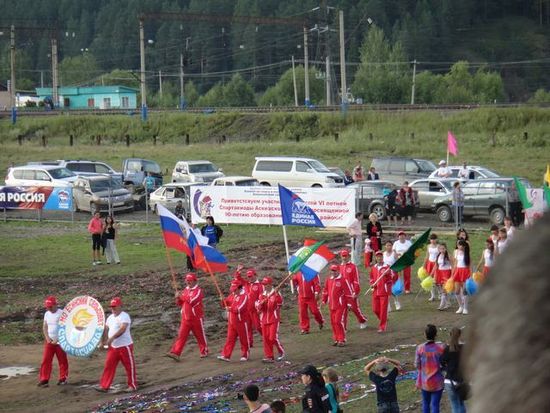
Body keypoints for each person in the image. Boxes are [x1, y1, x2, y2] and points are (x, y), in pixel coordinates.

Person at [97, 297, 137, 392]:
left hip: (125, 345)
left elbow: (123, 329)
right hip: (113, 347)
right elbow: (105, 329)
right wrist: (103, 341)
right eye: (112, 307)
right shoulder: (110, 318)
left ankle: (132, 385)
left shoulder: (124, 316)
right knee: (109, 365)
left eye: (114, 307)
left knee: (129, 366)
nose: (113, 309)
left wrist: (112, 338)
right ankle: (104, 385)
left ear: (120, 306)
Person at [165, 273, 208, 361]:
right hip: (185, 318)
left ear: (195, 281)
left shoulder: (198, 291)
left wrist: (181, 296)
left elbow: (192, 301)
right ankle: (176, 352)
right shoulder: (185, 290)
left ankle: (204, 351)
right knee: (181, 336)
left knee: (200, 336)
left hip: (196, 318)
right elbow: (180, 303)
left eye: (190, 280)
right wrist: (177, 298)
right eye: (187, 280)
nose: (188, 282)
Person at [38, 296, 69, 387]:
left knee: (62, 360)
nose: (49, 308)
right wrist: (47, 338)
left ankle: (63, 378)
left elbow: (66, 328)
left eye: (50, 306)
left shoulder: (62, 313)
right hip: (49, 341)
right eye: (47, 307)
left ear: (55, 305)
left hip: (60, 341)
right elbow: (45, 326)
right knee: (46, 360)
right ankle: (44, 379)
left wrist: (58, 339)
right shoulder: (47, 314)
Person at [415, 324, 445, 413]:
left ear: (425, 334)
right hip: (438, 381)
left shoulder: (420, 348)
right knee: (435, 405)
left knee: (425, 403)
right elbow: (444, 364)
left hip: (424, 381)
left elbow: (417, 364)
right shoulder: (441, 348)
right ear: (436, 335)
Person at [218, 281, 250, 362]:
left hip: (241, 321)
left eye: (235, 290)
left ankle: (245, 354)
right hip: (232, 321)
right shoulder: (233, 295)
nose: (233, 291)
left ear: (240, 288)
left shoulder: (244, 296)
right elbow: (226, 303)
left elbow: (240, 308)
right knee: (230, 338)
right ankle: (226, 355)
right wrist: (222, 300)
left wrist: (230, 309)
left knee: (244, 339)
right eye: (232, 290)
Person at [322, 264, 353, 346]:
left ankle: (342, 339)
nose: (333, 272)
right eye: (332, 270)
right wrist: (324, 300)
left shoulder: (343, 280)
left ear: (338, 271)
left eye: (335, 270)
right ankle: (336, 339)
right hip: (331, 305)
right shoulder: (329, 280)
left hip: (340, 305)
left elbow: (348, 292)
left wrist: (349, 303)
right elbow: (325, 290)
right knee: (333, 322)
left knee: (338, 321)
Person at [256, 277, 285, 363]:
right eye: (263, 284)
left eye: (266, 284)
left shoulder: (276, 293)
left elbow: (280, 303)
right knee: (266, 339)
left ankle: (281, 351)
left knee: (272, 338)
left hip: (273, 319)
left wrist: (276, 294)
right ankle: (269, 356)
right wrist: (261, 304)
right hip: (264, 320)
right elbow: (258, 309)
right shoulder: (262, 295)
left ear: (270, 284)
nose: (264, 286)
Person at [440, 327, 467, 413]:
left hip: (449, 381)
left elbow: (441, 361)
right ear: (460, 335)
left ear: (450, 335)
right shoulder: (464, 348)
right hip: (461, 382)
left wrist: (447, 367)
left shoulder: (447, 349)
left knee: (454, 406)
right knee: (461, 404)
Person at [339, 249, 368, 329]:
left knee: (354, 308)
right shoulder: (340, 267)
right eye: (343, 256)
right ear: (341, 257)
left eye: (346, 256)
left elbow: (356, 280)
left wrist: (355, 291)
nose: (344, 258)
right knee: (343, 310)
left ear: (349, 256)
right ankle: (343, 327)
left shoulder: (353, 267)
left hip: (351, 292)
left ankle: (363, 320)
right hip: (342, 293)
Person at [370, 251, 394, 333]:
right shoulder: (374, 267)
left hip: (384, 292)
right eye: (377, 257)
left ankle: (382, 326)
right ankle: (383, 319)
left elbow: (391, 279)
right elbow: (372, 278)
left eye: (380, 256)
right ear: (375, 258)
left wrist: (388, 275)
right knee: (375, 309)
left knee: (383, 310)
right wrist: (372, 284)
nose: (379, 258)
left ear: (382, 257)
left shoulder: (387, 267)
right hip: (375, 291)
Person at [245, 269, 264, 347]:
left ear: (255, 275)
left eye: (251, 276)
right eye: (249, 277)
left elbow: (261, 296)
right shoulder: (246, 284)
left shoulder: (259, 285)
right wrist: (238, 272)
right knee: (248, 327)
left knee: (258, 326)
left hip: (255, 309)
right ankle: (249, 342)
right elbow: (238, 280)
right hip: (247, 309)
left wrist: (259, 306)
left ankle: (266, 337)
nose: (250, 278)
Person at [431, 243, 452, 311]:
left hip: (447, 273)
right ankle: (448, 303)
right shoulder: (438, 255)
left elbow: (453, 265)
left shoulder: (448, 256)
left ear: (446, 249)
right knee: (440, 287)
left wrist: (452, 275)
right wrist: (432, 273)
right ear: (439, 249)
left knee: (444, 289)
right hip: (440, 273)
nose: (442, 250)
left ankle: (441, 305)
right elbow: (436, 265)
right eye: (440, 249)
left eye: (443, 248)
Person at [452, 240, 471, 315]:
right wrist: (452, 273)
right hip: (457, 271)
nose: (459, 246)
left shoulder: (467, 254)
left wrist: (471, 275)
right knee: (456, 291)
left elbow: (470, 265)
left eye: (460, 245)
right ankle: (460, 306)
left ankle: (465, 307)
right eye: (458, 245)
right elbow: (455, 264)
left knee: (465, 291)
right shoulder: (456, 252)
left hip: (465, 272)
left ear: (464, 246)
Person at [383, 241, 401, 311]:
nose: (388, 247)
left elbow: (398, 265)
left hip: (393, 273)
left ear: (392, 246)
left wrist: (399, 275)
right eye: (387, 245)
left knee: (393, 290)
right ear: (385, 246)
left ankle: (396, 302)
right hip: (385, 274)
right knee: (386, 290)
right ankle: (388, 305)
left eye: (390, 245)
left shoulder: (394, 254)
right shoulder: (383, 254)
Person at [424, 234, 439, 302]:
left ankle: (440, 293)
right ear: (430, 240)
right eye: (431, 239)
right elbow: (427, 256)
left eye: (434, 239)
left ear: (436, 239)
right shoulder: (428, 246)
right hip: (430, 264)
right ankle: (432, 295)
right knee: (430, 279)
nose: (433, 241)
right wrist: (424, 264)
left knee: (436, 280)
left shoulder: (438, 246)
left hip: (437, 264)